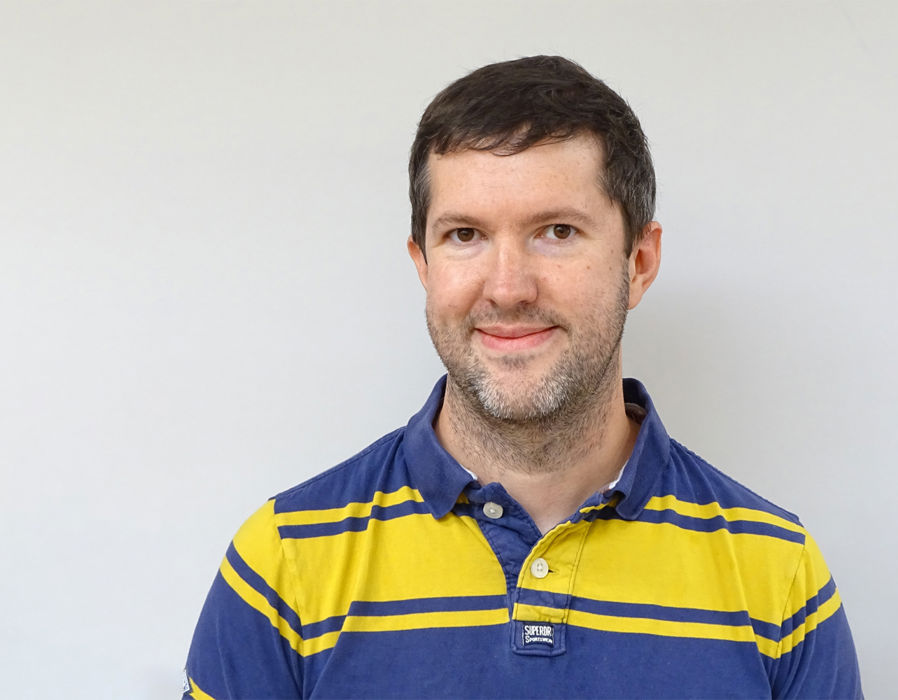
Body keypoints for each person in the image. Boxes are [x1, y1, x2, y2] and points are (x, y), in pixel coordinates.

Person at [184, 55, 862, 699]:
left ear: (639, 262)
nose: (507, 289)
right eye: (465, 235)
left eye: (557, 231)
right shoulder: (282, 564)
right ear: (423, 265)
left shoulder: (780, 575)